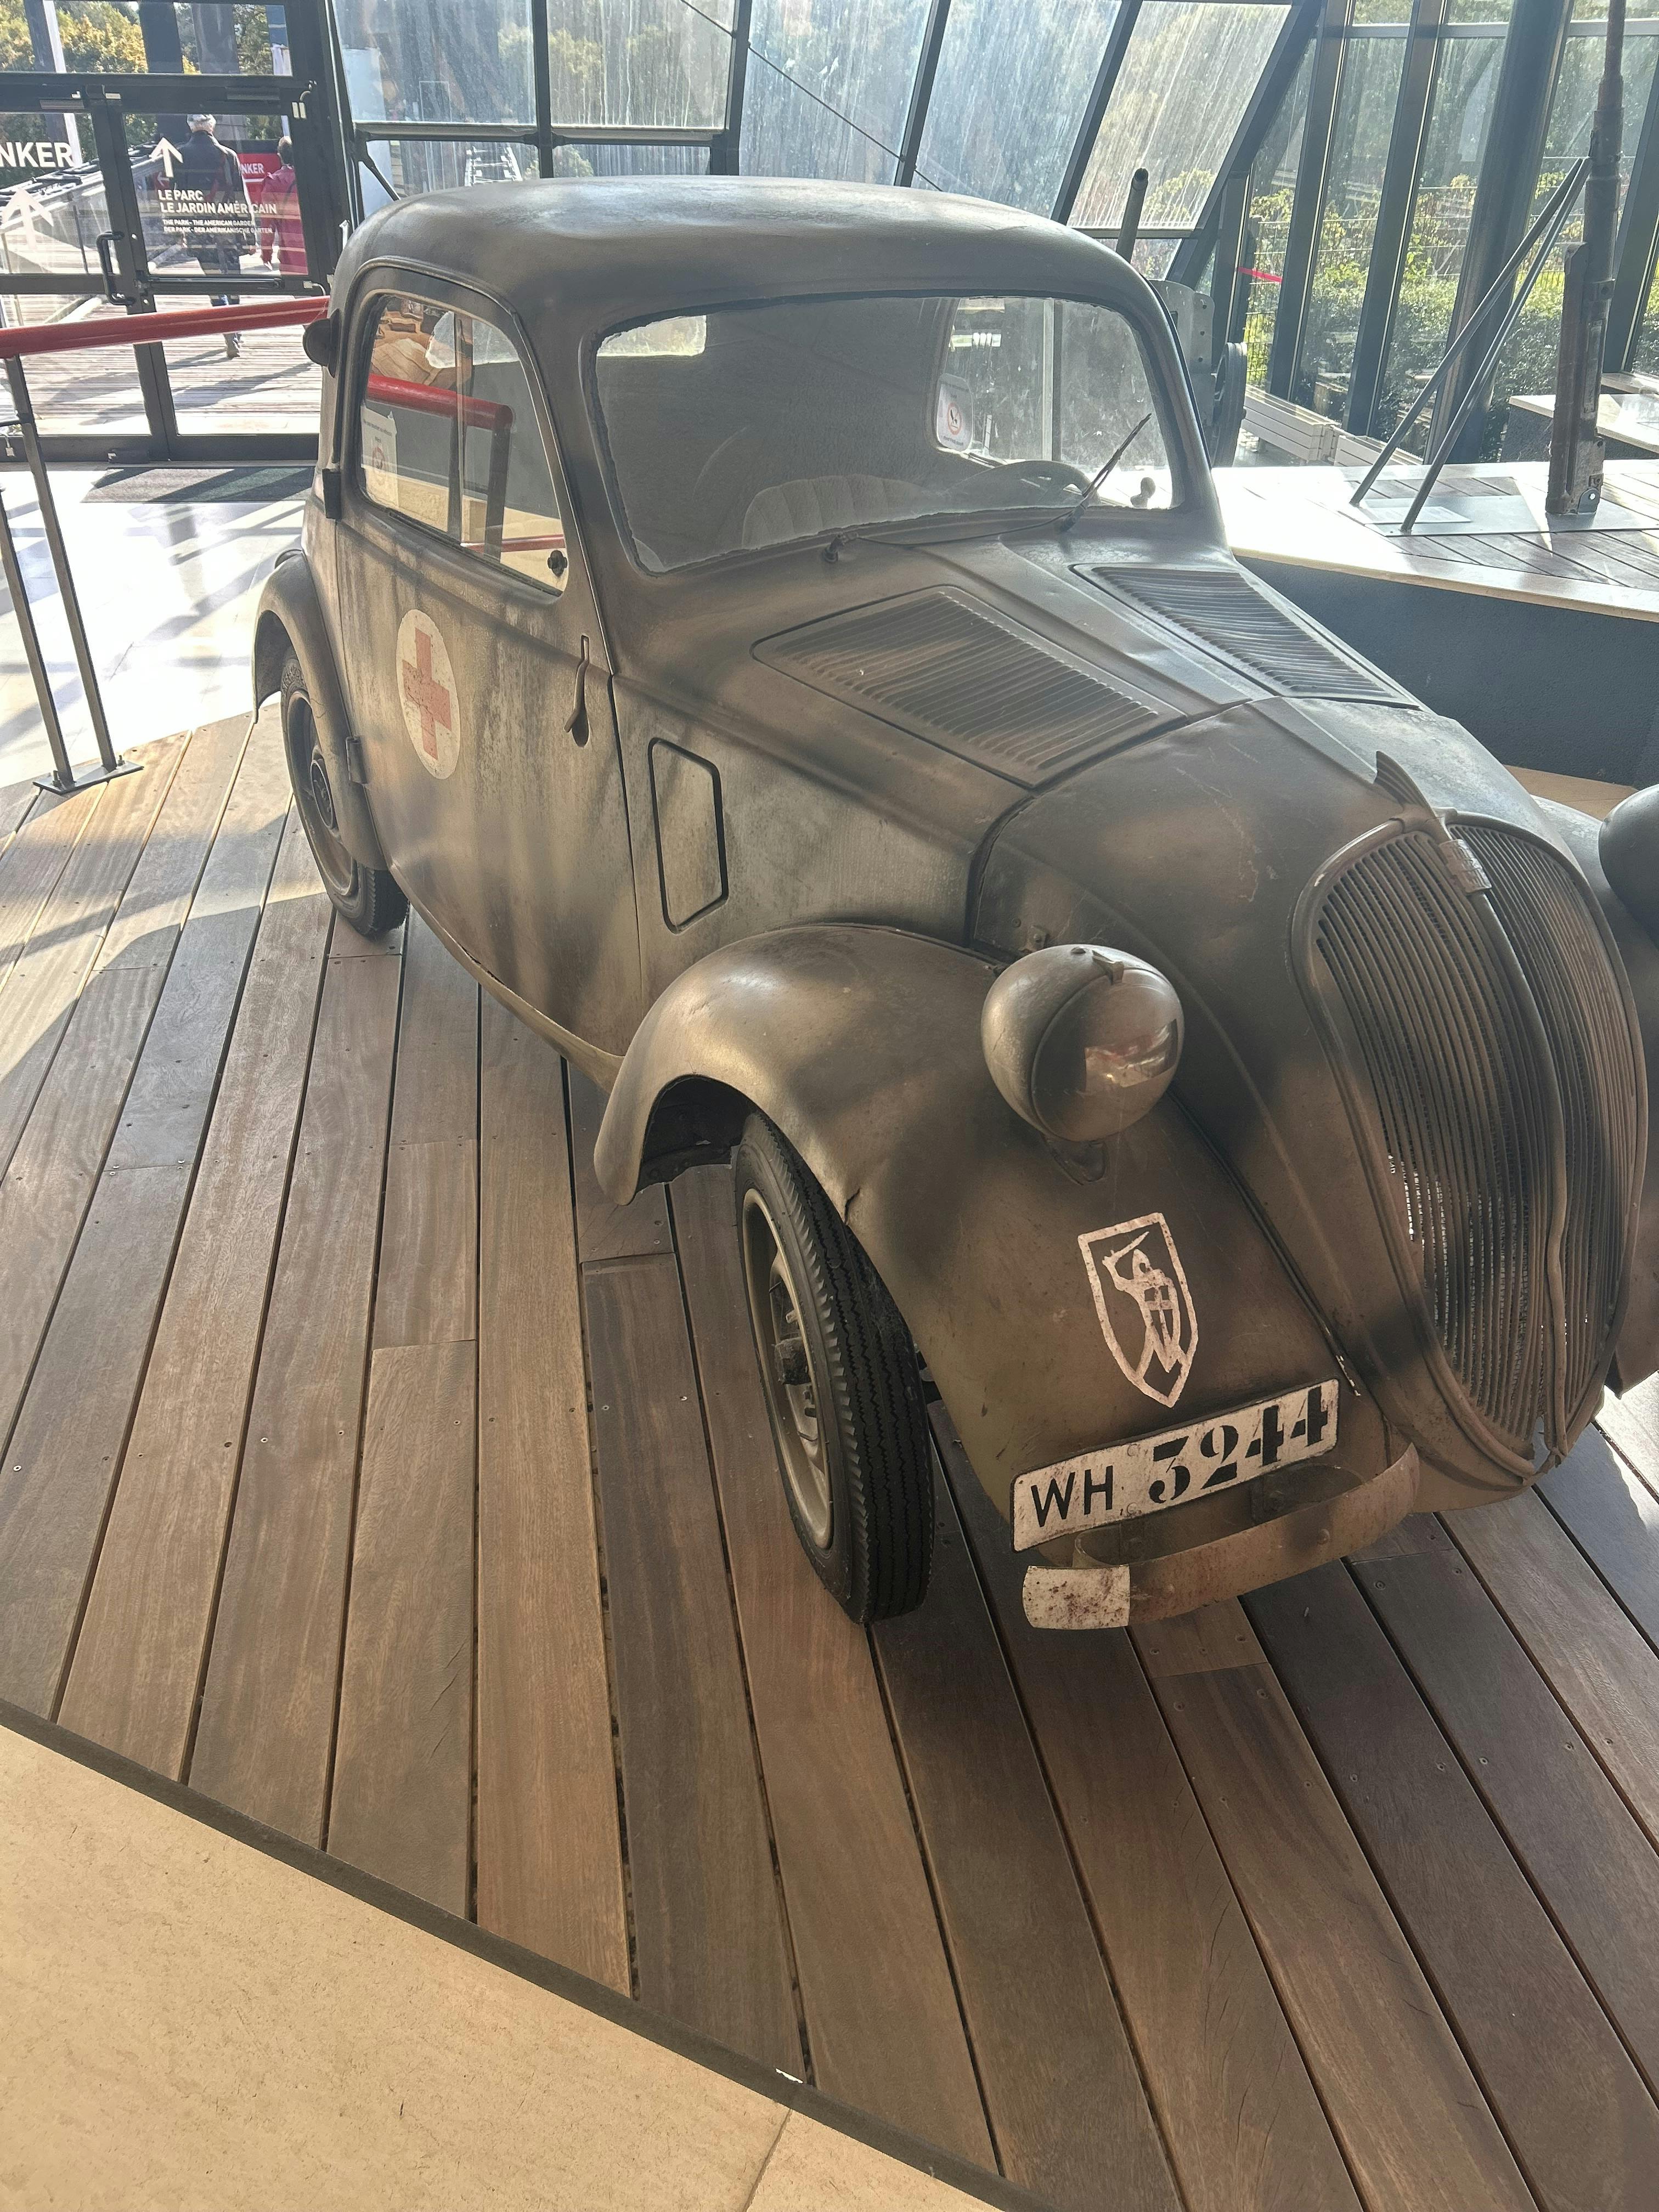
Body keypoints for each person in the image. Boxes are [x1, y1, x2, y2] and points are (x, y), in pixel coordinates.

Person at [180, 114, 252, 358]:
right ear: (212, 127)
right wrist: (249, 235)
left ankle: (227, 332)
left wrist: (180, 231)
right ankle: (236, 328)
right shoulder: (228, 155)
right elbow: (241, 197)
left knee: (213, 281)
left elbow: (177, 196)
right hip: (227, 227)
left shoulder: (180, 155)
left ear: (191, 127)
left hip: (200, 228)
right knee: (234, 279)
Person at [256, 136, 306, 280]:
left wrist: (266, 254)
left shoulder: (274, 182)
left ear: (280, 156)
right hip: (317, 250)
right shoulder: (311, 178)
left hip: (291, 252)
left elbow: (267, 223)